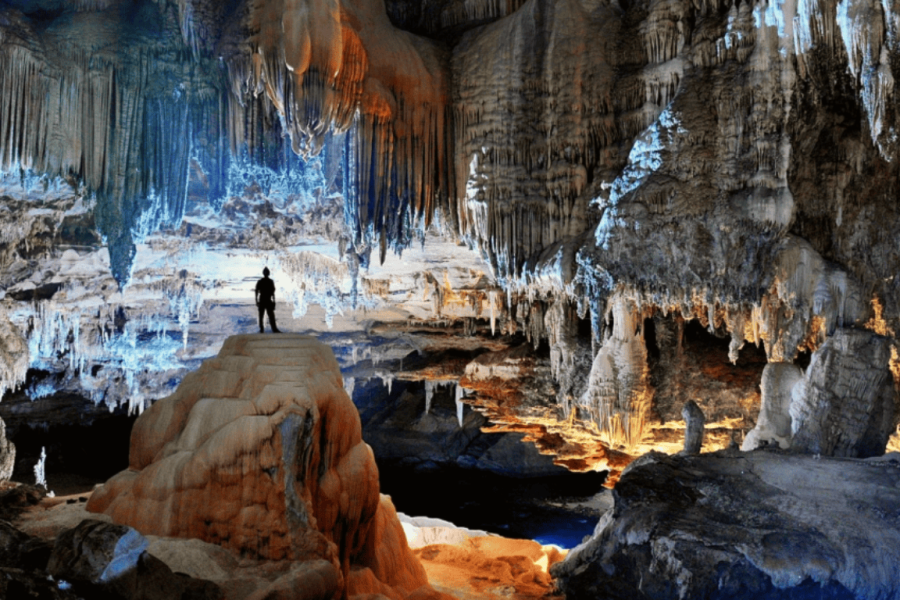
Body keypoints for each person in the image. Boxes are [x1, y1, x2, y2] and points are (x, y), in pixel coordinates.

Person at [255, 267, 280, 333]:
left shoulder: (267, 281)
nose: (266, 274)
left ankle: (272, 329)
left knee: (268, 316)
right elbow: (256, 291)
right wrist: (256, 301)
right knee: (263, 316)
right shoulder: (263, 281)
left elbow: (273, 293)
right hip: (264, 300)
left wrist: (274, 301)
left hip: (266, 300)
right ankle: (264, 329)